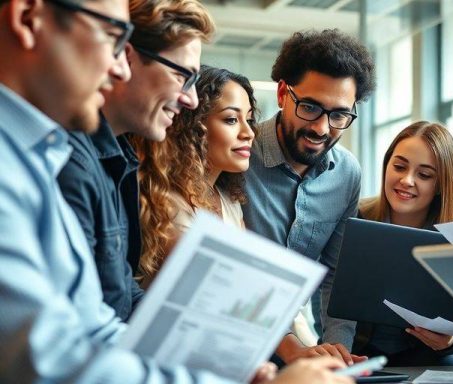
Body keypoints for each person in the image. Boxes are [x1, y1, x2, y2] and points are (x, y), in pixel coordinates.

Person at [0, 1, 354, 382]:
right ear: (26, 18)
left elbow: (100, 322)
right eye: (112, 38)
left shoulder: (44, 154)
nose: (120, 67)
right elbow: (48, 359)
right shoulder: (47, 163)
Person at [56, 0, 212, 322]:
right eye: (182, 74)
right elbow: (82, 326)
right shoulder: (73, 164)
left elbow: (121, 292)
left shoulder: (117, 159)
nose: (192, 99)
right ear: (124, 57)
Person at [242, 28, 376, 365]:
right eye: (311, 108)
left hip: (291, 339)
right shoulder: (238, 157)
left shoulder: (347, 174)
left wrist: (335, 352)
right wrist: (294, 351)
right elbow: (239, 274)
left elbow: (335, 273)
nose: (321, 128)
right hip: (234, 330)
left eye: (339, 114)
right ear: (283, 92)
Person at [338, 121, 453, 366]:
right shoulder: (355, 219)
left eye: (424, 175)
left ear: (441, 185)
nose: (407, 180)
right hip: (359, 351)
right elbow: (329, 299)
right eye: (399, 167)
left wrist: (451, 341)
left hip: (426, 354)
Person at [133, 65, 256, 280]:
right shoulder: (166, 204)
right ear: (192, 126)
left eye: (250, 119)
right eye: (231, 119)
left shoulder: (229, 201)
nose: (248, 133)